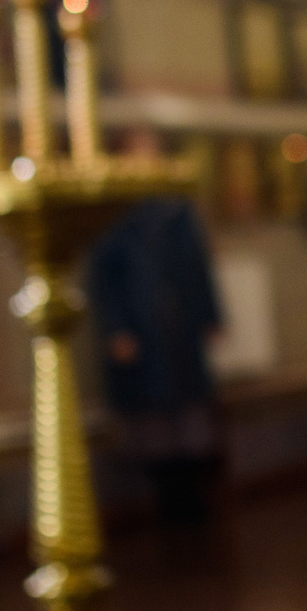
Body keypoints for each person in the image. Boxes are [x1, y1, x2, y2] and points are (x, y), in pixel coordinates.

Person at [86, 196, 225, 526]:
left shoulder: (176, 210)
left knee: (189, 410)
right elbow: (105, 277)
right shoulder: (114, 214)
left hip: (179, 329)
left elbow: (197, 265)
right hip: (143, 331)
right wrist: (116, 328)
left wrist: (210, 314)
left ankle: (194, 494)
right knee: (153, 417)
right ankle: (170, 499)